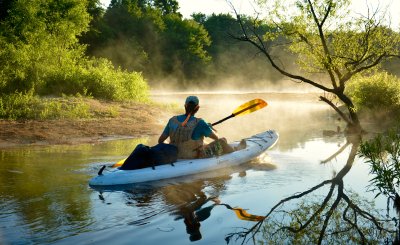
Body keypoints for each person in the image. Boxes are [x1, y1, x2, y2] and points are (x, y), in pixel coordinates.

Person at [158, 95, 245, 159]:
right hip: (194, 155)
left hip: (175, 154)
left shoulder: (172, 120)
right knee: (222, 141)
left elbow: (160, 141)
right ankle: (235, 151)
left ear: (185, 106)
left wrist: (174, 145)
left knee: (208, 142)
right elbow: (216, 138)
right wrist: (209, 128)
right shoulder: (200, 122)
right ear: (198, 108)